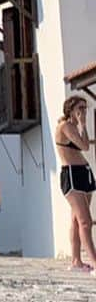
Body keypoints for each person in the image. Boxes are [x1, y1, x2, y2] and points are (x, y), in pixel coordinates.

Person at [55, 94, 96, 272]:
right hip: (71, 174)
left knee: (76, 220)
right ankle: (94, 262)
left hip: (84, 174)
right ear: (70, 110)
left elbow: (86, 144)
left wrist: (84, 126)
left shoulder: (75, 126)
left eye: (85, 108)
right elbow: (83, 146)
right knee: (85, 221)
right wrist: (82, 124)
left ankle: (76, 261)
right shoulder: (64, 126)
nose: (83, 112)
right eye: (80, 108)